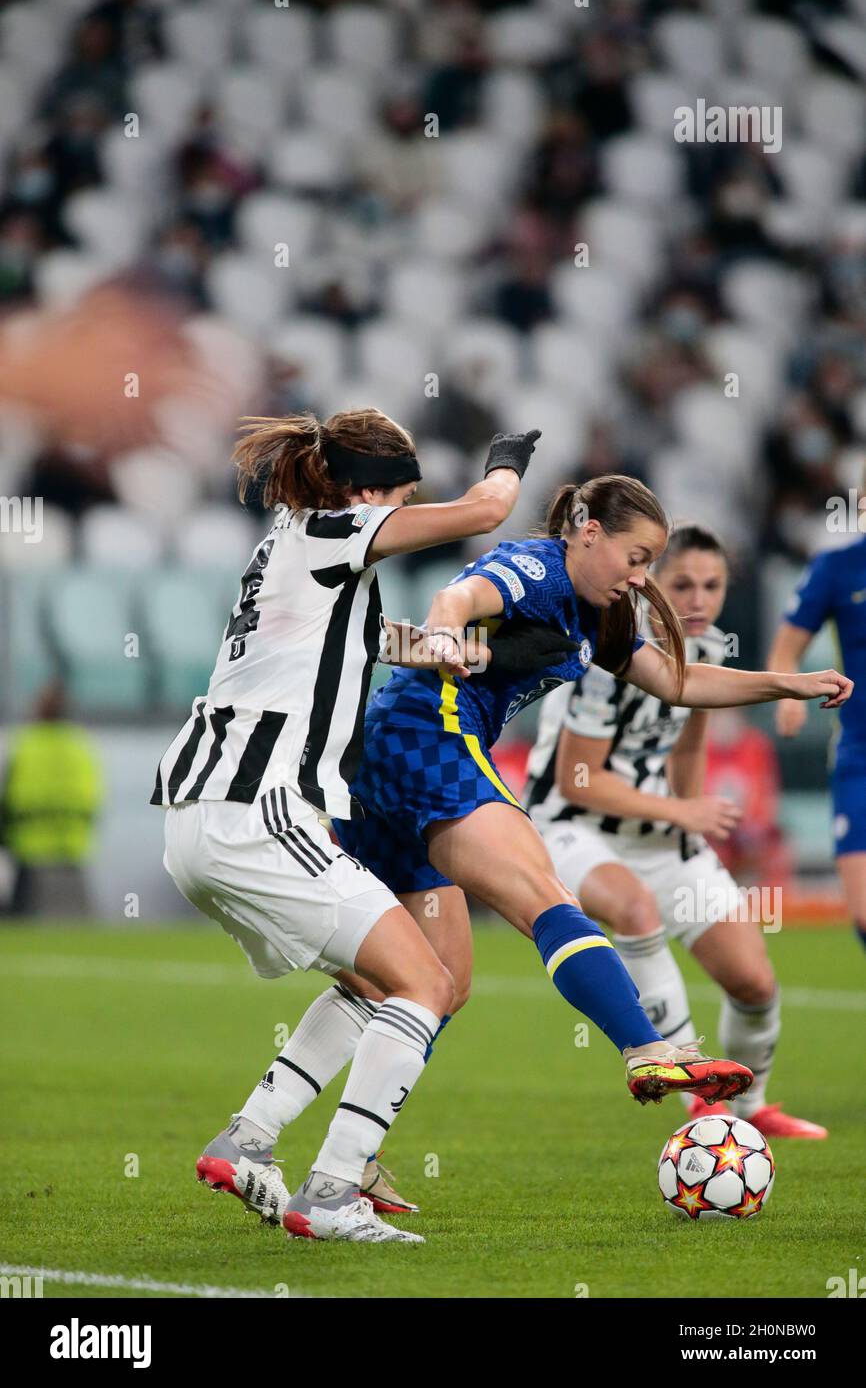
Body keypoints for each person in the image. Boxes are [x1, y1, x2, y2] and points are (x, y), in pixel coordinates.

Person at [243, 475, 850, 1213]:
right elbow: (460, 601)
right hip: (427, 735)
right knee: (546, 897)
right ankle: (646, 1046)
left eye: (650, 562)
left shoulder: (599, 612)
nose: (642, 576)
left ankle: (262, 1141)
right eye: (636, 556)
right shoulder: (538, 568)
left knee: (429, 983)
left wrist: (785, 686)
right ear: (586, 531)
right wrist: (440, 630)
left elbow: (679, 683)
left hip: (388, 757)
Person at [151, 408, 546, 1244]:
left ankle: (248, 1140)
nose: (403, 510)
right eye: (401, 495)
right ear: (368, 493)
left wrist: (489, 658)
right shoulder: (337, 528)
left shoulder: (297, 550)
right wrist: (509, 456)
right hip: (254, 809)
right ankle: (331, 1191)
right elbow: (485, 511)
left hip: (207, 817)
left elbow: (379, 647)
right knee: (429, 983)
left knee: (378, 984)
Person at [525, 524, 827, 1139]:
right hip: (572, 827)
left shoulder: (708, 646)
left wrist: (690, 821)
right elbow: (579, 778)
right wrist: (681, 813)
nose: (697, 599)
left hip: (660, 828)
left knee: (754, 981)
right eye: (682, 583)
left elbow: (689, 744)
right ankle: (693, 1089)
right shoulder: (612, 646)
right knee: (635, 909)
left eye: (711, 586)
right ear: (651, 581)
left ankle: (750, 1108)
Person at [767, 522, 866, 954]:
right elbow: (786, 650)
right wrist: (789, 694)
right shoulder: (837, 568)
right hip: (859, 755)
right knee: (863, 911)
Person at [0, 681, 103, 918]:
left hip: (30, 843)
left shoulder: (26, 744)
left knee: (21, 916)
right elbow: (94, 795)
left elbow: (8, 796)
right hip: (73, 842)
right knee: (75, 915)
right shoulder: (81, 746)